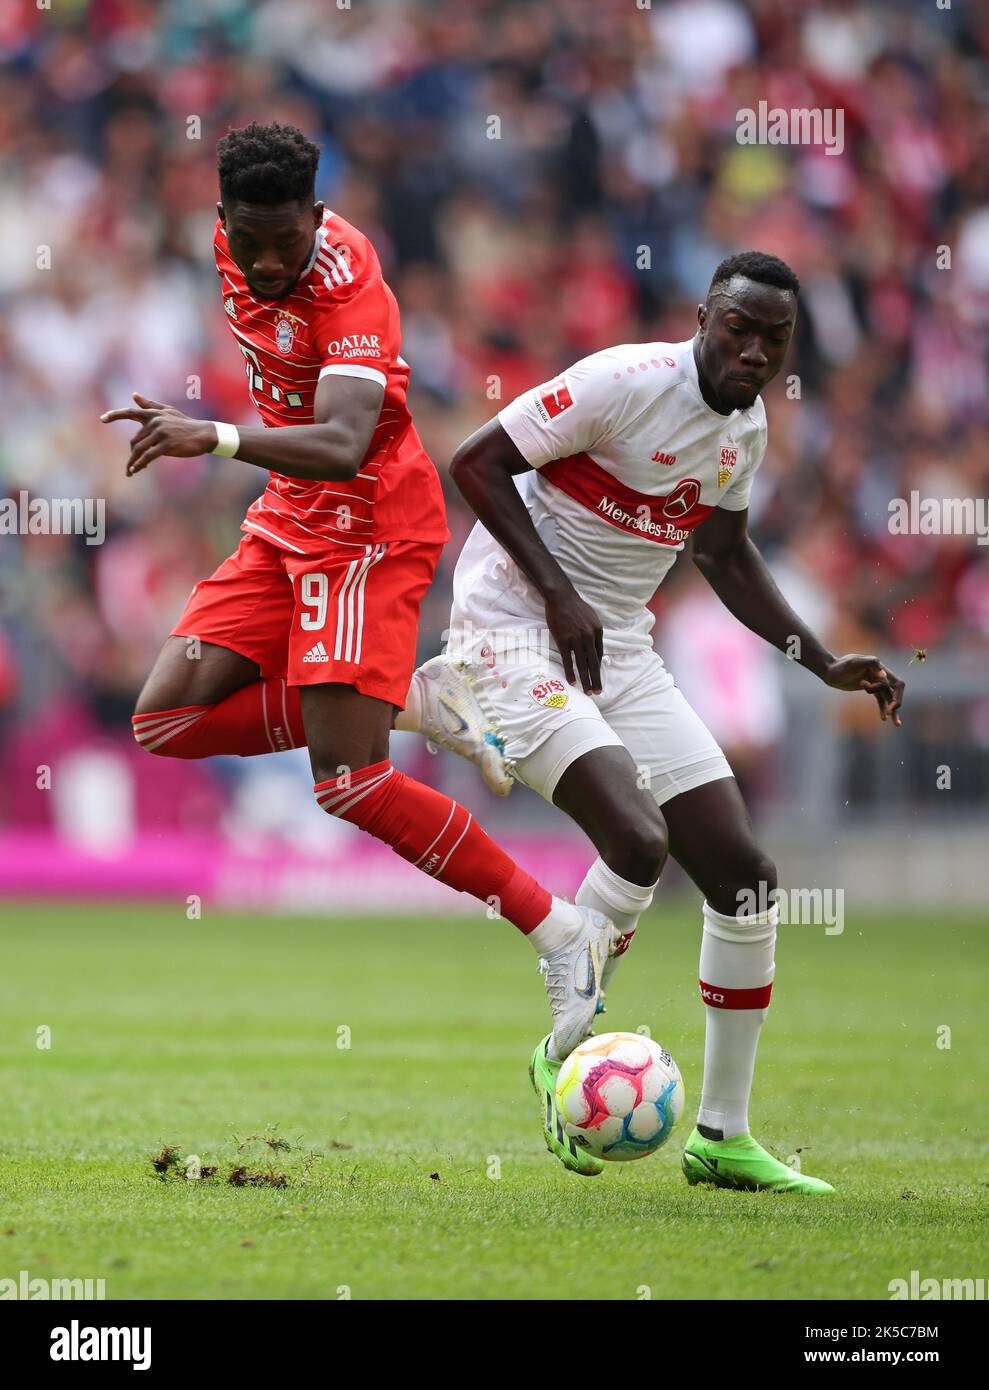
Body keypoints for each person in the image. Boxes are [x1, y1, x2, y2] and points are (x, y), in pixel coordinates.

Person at [100, 121, 617, 1061]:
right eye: (246, 239)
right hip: (290, 515)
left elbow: (342, 442)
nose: (262, 262)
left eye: (283, 242)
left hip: (368, 524)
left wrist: (208, 437)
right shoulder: (225, 242)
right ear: (222, 217)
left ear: (317, 216)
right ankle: (419, 699)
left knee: (348, 782)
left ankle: (559, 930)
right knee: (165, 719)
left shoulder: (348, 282)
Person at [404, 252, 906, 1189]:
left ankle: (719, 1136)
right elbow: (473, 462)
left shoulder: (744, 432)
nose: (754, 351)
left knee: (745, 878)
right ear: (704, 316)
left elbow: (721, 554)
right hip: (514, 628)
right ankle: (561, 1055)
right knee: (638, 838)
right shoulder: (622, 382)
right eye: (739, 329)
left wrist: (820, 656)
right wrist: (555, 593)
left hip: (616, 648)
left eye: (774, 338)